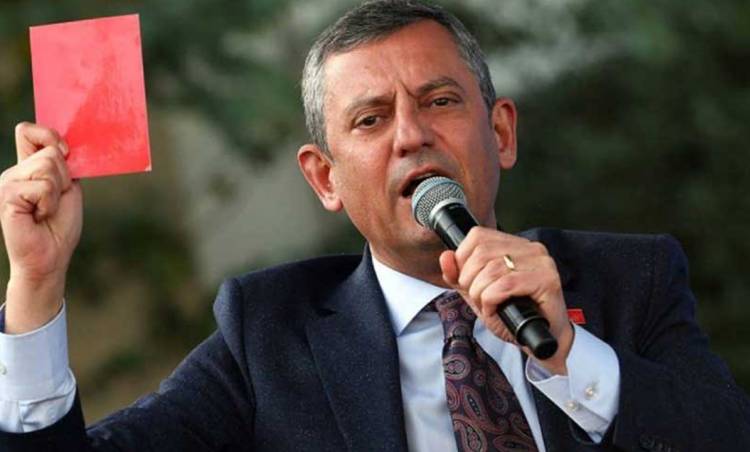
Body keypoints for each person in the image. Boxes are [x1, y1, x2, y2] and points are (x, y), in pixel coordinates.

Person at [0, 0, 748, 451]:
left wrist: (569, 355)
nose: (411, 135)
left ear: (502, 133)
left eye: (440, 102)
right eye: (370, 119)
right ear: (324, 178)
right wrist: (37, 283)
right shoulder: (269, 336)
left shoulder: (631, 279)